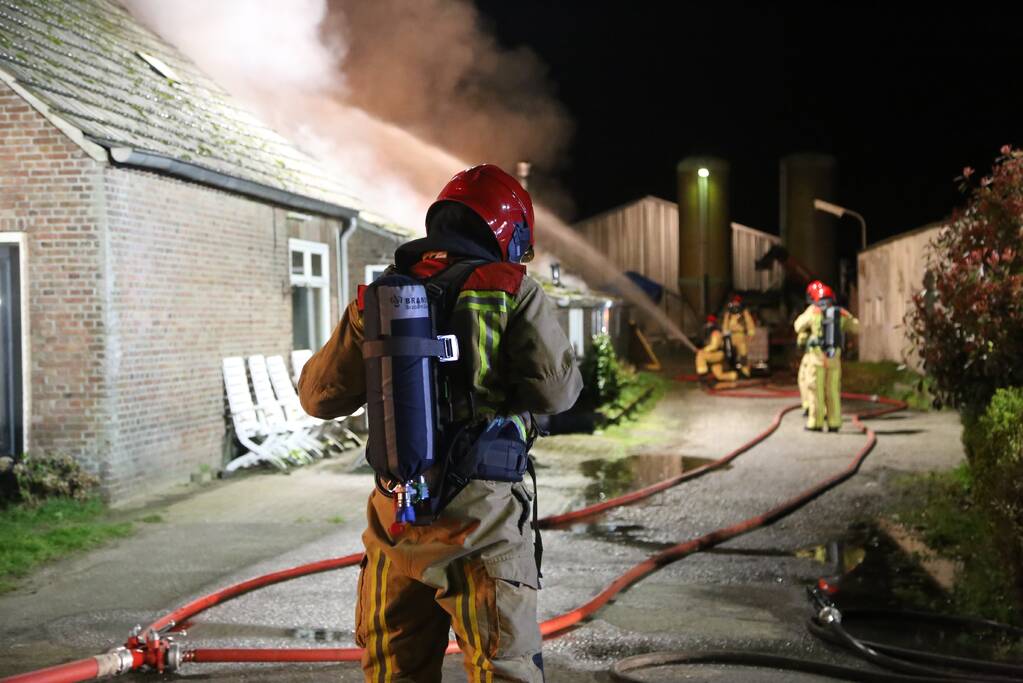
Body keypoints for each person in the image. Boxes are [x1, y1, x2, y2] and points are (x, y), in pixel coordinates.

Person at [299, 164, 581, 683]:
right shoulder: (511, 288)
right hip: (482, 524)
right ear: (508, 233)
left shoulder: (380, 296)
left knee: (394, 672)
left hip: (395, 519)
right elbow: (556, 391)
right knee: (502, 668)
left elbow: (318, 397)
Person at [793, 282, 860, 432]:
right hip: (834, 359)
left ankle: (815, 423)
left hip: (816, 359)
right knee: (833, 391)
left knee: (816, 390)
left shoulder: (813, 312)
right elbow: (856, 327)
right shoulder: (840, 313)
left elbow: (797, 326)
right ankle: (834, 422)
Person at [796, 281, 823, 416]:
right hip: (831, 352)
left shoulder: (813, 310)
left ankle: (811, 408)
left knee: (806, 379)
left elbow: (798, 325)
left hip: (814, 352)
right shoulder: (832, 309)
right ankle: (821, 410)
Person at [695, 314, 738, 384]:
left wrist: (703, 350)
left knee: (700, 355)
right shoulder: (710, 332)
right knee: (719, 376)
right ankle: (733, 375)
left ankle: (702, 375)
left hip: (718, 354)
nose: (708, 324)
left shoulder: (716, 333)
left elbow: (714, 346)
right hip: (716, 355)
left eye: (709, 322)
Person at [721, 294, 756, 377]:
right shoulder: (728, 313)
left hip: (741, 335)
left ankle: (745, 372)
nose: (736, 304)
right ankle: (731, 370)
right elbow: (725, 324)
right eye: (734, 302)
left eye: (737, 302)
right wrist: (724, 333)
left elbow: (749, 322)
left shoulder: (744, 312)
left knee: (743, 353)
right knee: (729, 353)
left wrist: (751, 333)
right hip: (730, 336)